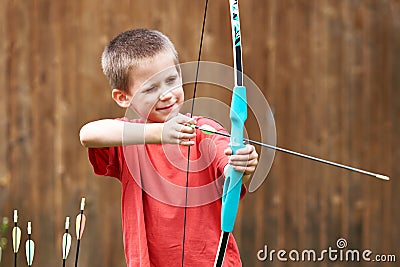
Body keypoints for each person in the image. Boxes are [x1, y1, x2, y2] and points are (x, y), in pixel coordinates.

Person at [79, 29, 258, 266]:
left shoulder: (204, 131)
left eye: (171, 80)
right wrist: (159, 133)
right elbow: (88, 134)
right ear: (123, 98)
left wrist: (240, 167)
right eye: (151, 88)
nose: (166, 95)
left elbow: (229, 167)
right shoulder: (130, 140)